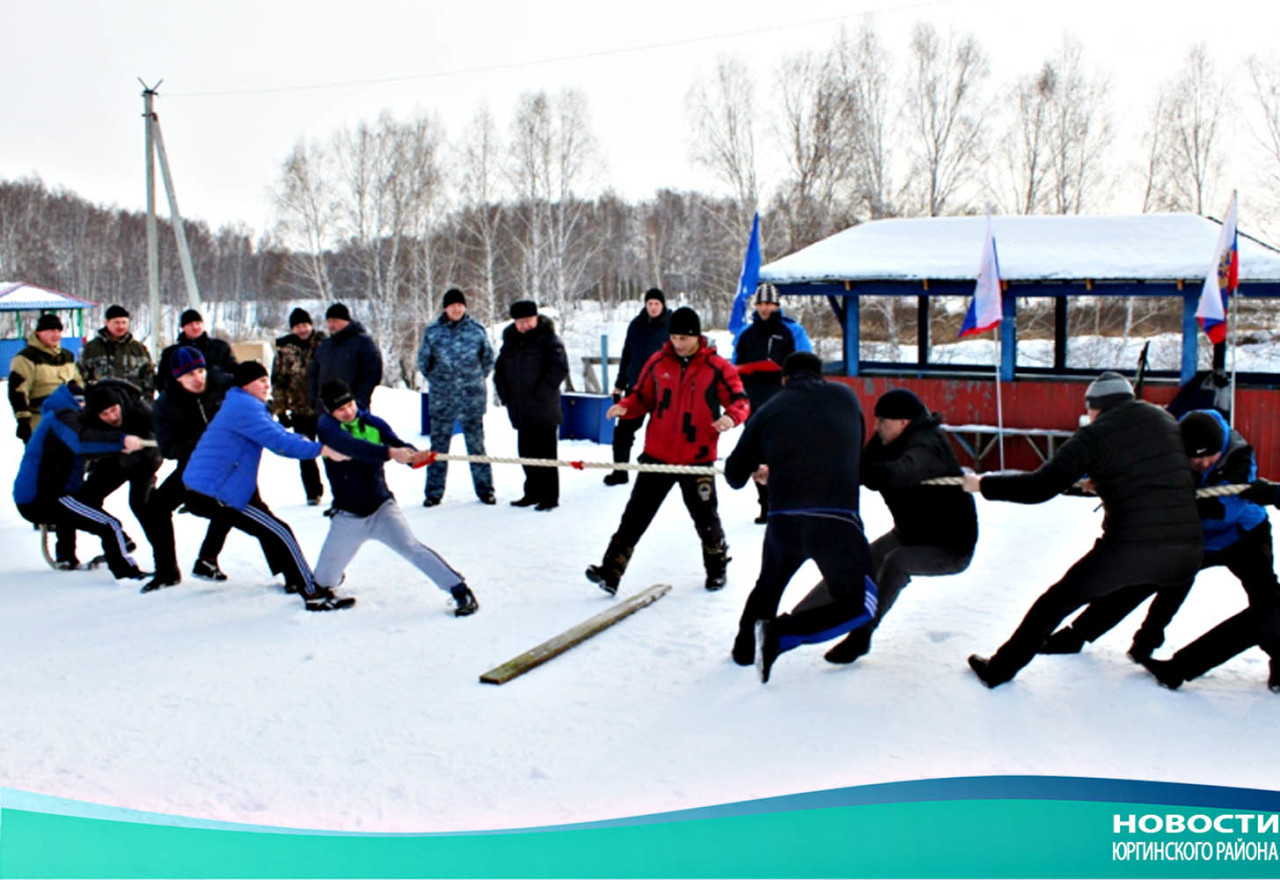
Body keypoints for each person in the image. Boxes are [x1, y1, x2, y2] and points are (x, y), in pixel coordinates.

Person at [963, 371, 1203, 688]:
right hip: (1187, 555)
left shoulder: (1094, 434)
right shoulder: (1165, 420)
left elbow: (1040, 487)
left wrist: (983, 484)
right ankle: (1112, 641)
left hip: (1129, 549)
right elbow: (1161, 470)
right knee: (1129, 584)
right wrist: (1108, 478)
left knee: (1057, 601)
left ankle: (999, 670)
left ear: (1096, 407)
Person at [1035, 409, 1280, 693]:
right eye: (1194, 459)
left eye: (1208, 458)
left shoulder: (1239, 454)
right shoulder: (1167, 445)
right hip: (1194, 533)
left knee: (1267, 603)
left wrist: (1173, 500)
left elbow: (1228, 510)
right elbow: (1130, 464)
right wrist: (1101, 478)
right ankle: (1082, 635)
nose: (1201, 464)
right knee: (1141, 580)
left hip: (1245, 535)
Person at [724, 352, 875, 683]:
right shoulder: (846, 397)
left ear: (784, 379)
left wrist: (766, 467)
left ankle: (744, 649)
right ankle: (780, 635)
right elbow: (850, 448)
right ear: (820, 375)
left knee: (769, 584)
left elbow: (733, 474)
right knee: (862, 604)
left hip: (785, 519)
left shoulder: (769, 409)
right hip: (837, 519)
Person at [586, 306, 749, 594]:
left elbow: (740, 400)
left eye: (683, 338)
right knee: (634, 516)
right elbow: (642, 396)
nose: (678, 343)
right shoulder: (658, 361)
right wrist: (625, 407)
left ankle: (717, 568)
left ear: (697, 336)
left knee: (706, 520)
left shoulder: (717, 367)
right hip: (657, 455)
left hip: (697, 458)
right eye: (673, 337)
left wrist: (730, 417)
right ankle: (610, 572)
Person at [816, 388, 978, 665]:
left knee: (896, 562)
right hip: (909, 534)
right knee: (858, 563)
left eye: (883, 422)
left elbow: (900, 472)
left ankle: (861, 636)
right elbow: (858, 468)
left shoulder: (929, 444)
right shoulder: (886, 441)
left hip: (950, 547)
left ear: (904, 422)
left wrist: (870, 474)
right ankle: (797, 619)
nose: (877, 427)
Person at [183, 360, 356, 612]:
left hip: (219, 486)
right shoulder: (244, 407)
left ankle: (297, 581)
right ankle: (312, 593)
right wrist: (321, 449)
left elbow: (278, 433)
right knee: (279, 531)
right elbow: (279, 442)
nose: (267, 385)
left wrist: (305, 440)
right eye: (261, 381)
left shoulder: (246, 404)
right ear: (246, 385)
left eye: (267, 379)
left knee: (272, 530)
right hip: (215, 491)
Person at [313, 379, 479, 616]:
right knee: (322, 581)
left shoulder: (373, 423)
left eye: (350, 404)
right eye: (341, 409)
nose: (349, 412)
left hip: (381, 508)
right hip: (348, 515)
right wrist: (390, 453)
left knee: (411, 547)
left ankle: (459, 589)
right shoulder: (327, 428)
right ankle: (332, 580)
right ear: (330, 411)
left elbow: (398, 446)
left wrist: (413, 456)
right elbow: (352, 447)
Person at [12, 382, 150, 579]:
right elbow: (81, 442)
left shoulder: (57, 417)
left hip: (43, 496)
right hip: (45, 497)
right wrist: (121, 441)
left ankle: (66, 557)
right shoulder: (63, 416)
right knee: (110, 525)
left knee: (75, 507)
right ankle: (127, 572)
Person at [138, 347, 234, 592]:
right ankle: (167, 571)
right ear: (177, 378)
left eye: (200, 371)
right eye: (189, 374)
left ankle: (207, 559)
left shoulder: (224, 387)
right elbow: (168, 447)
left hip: (230, 464)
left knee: (235, 508)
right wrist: (203, 442)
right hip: (192, 465)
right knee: (156, 507)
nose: (197, 378)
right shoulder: (166, 404)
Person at [731, 282, 813, 523]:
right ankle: (765, 504)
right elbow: (735, 363)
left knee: (783, 453)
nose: (765, 308)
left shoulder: (792, 331)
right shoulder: (746, 333)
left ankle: (786, 501)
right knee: (757, 454)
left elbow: (806, 361)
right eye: (761, 303)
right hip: (754, 401)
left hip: (784, 400)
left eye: (769, 303)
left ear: (777, 305)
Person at [416, 288, 496, 507]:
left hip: (472, 399)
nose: (457, 309)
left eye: (460, 305)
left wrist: (474, 379)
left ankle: (485, 490)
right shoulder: (432, 332)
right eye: (452, 306)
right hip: (442, 400)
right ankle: (433, 493)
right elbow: (423, 362)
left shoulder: (477, 330)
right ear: (445, 308)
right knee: (437, 449)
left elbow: (488, 360)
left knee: (477, 447)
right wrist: (441, 381)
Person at [493, 300, 569, 511]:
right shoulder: (510, 342)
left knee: (546, 455)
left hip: (543, 408)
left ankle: (549, 496)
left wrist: (541, 395)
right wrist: (505, 396)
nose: (525, 325)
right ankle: (531, 492)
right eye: (520, 321)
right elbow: (500, 371)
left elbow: (559, 369)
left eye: (528, 320)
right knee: (526, 453)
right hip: (520, 409)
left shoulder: (549, 339)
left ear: (536, 318)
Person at [604, 288, 670, 486]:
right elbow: (627, 354)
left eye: (657, 303)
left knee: (662, 430)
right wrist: (619, 383)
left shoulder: (672, 324)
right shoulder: (636, 325)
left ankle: (663, 470)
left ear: (663, 305)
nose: (653, 307)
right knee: (624, 430)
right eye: (650, 303)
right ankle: (620, 471)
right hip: (637, 387)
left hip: (664, 387)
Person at [271, 307, 326, 506]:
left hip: (323, 408)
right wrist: (280, 410)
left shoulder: (323, 344)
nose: (302, 329)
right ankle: (313, 492)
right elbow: (278, 382)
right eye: (297, 326)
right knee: (305, 453)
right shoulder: (284, 351)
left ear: (311, 325)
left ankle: (342, 488)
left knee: (331, 450)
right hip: (299, 409)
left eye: (304, 325)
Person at [9, 313, 83, 443]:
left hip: (67, 420)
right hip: (39, 419)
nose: (56, 334)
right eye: (51, 330)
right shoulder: (26, 358)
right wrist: (23, 420)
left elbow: (78, 384)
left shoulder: (67, 356)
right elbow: (18, 390)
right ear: (39, 332)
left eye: (58, 330)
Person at [307, 303, 383, 413]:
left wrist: (359, 400)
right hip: (325, 408)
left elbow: (372, 374)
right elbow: (313, 373)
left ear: (345, 320)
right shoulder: (325, 345)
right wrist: (314, 399)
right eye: (328, 321)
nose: (331, 325)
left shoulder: (363, 342)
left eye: (334, 321)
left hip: (351, 408)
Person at [78, 304, 156, 397]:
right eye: (117, 322)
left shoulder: (139, 349)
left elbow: (149, 377)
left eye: (124, 322)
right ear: (107, 322)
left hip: (133, 403)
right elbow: (80, 377)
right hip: (102, 403)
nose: (121, 326)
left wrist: (146, 400)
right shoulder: (90, 349)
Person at [155, 309, 238, 394]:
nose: (195, 327)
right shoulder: (171, 353)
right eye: (190, 324)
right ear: (183, 328)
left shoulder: (220, 347)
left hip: (218, 398)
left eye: (198, 323)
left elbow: (234, 372)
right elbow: (162, 381)